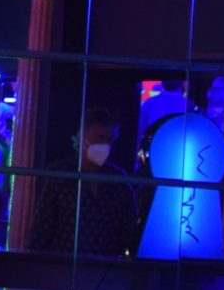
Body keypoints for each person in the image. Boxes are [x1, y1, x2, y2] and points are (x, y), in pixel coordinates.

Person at [27, 106, 143, 256]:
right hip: (62, 264)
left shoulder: (118, 180)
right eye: (100, 138)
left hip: (106, 266)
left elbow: (130, 231)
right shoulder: (61, 175)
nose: (106, 145)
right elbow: (41, 231)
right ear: (82, 137)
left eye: (110, 140)